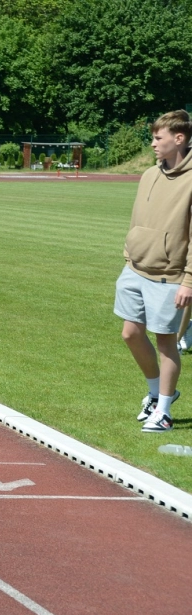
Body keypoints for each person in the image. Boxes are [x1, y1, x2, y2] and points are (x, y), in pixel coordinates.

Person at [115, 110, 192, 433]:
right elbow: (137, 219)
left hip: (169, 275)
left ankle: (163, 412)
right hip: (135, 267)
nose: (152, 144)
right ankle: (156, 391)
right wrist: (129, 251)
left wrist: (189, 279)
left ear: (179, 138)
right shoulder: (148, 174)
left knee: (165, 341)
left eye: (158, 138)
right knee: (130, 334)